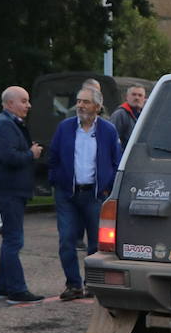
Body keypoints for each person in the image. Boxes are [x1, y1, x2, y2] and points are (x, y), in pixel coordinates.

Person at [48, 86, 121, 300]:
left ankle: (92, 283)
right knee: (67, 240)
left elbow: (117, 162)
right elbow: (53, 158)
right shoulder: (65, 128)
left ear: (97, 107)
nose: (80, 105)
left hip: (95, 195)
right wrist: (57, 181)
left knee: (96, 244)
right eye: (78, 101)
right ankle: (73, 284)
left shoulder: (108, 130)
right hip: (67, 195)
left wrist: (107, 188)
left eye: (85, 102)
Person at [0, 86, 43, 304]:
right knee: (14, 240)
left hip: (9, 189)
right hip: (9, 190)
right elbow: (9, 157)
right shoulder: (5, 125)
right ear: (10, 103)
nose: (28, 105)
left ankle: (2, 287)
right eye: (24, 101)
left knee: (10, 239)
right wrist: (31, 153)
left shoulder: (8, 123)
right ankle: (17, 290)